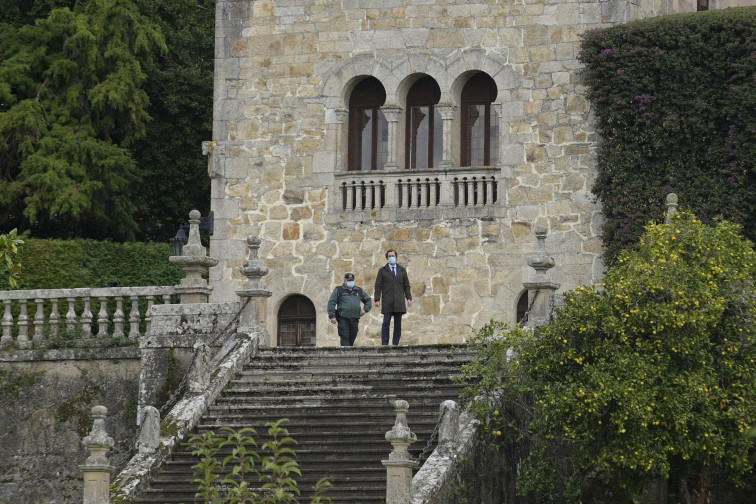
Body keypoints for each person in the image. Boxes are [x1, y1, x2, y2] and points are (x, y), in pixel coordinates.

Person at [374, 249, 412, 346]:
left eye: (393, 256)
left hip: (399, 301)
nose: (391, 257)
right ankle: (385, 344)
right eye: (390, 256)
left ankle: (395, 344)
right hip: (387, 301)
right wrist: (377, 299)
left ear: (396, 257)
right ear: (387, 258)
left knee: (398, 325)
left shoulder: (402, 270)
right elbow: (378, 286)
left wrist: (409, 298)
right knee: (386, 323)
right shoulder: (382, 271)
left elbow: (406, 285)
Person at [327, 272, 372, 347]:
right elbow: (331, 302)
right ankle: (345, 356)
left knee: (352, 338)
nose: (350, 282)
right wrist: (332, 316)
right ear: (344, 281)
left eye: (351, 280)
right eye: (348, 280)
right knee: (344, 337)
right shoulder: (339, 290)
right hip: (343, 319)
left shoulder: (359, 290)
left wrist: (365, 310)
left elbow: (368, 300)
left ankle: (349, 356)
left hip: (354, 319)